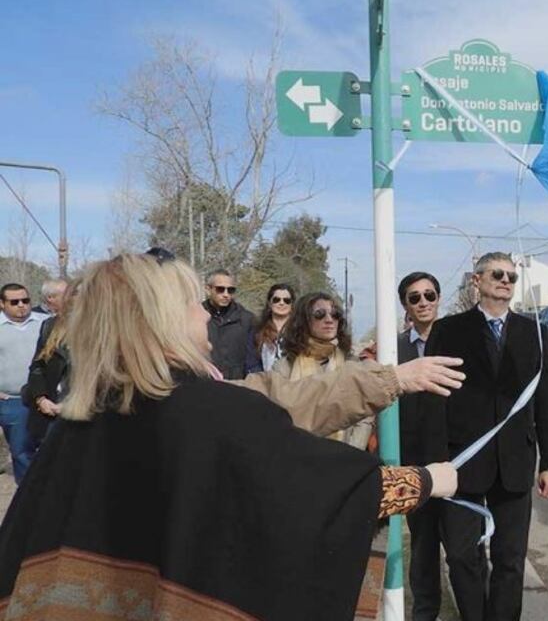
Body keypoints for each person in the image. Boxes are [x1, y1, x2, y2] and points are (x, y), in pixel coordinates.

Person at [0, 253, 461, 621]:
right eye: (193, 304)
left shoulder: (81, 422)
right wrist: (426, 481)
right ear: (163, 321)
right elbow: (314, 490)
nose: (205, 315)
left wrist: (391, 380)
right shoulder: (207, 411)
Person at [422, 251, 548, 621]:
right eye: (497, 274)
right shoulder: (448, 329)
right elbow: (433, 399)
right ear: (477, 281)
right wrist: (437, 462)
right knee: (460, 555)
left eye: (512, 277)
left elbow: (544, 397)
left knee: (510, 559)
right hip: (462, 461)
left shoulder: (535, 331)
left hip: (515, 460)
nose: (505, 281)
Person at [397, 271, 445, 621]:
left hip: (457, 459)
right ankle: (426, 611)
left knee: (463, 548)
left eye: (429, 295)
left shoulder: (460, 342)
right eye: (415, 298)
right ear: (406, 305)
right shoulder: (393, 348)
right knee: (424, 543)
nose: (423, 302)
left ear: (438, 298)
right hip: (414, 460)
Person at [274, 292, 373, 450]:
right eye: (319, 314)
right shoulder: (284, 368)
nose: (329, 320)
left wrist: (351, 454)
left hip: (344, 457)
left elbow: (364, 417)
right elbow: (278, 420)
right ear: (304, 320)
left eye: (335, 314)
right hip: (297, 457)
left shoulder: (351, 364)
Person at [21, 283, 77, 447]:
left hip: (80, 411)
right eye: (68, 293)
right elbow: (37, 367)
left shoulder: (97, 327)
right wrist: (41, 398)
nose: (73, 298)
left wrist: (71, 404)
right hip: (50, 410)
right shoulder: (49, 326)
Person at [0, 283, 45, 483]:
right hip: (12, 401)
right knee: (20, 450)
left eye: (25, 301)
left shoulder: (46, 323)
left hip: (44, 398)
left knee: (44, 448)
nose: (21, 305)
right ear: (2, 304)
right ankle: (29, 495)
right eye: (14, 302)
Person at [204, 268, 258, 380]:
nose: (226, 294)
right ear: (208, 289)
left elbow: (252, 358)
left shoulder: (247, 319)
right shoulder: (197, 317)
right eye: (220, 289)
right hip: (205, 383)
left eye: (230, 290)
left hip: (237, 384)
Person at [254, 283, 295, 372]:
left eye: (286, 300)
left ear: (292, 305)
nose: (281, 303)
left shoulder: (299, 331)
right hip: (265, 381)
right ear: (269, 303)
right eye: (276, 300)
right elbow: (252, 362)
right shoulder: (258, 330)